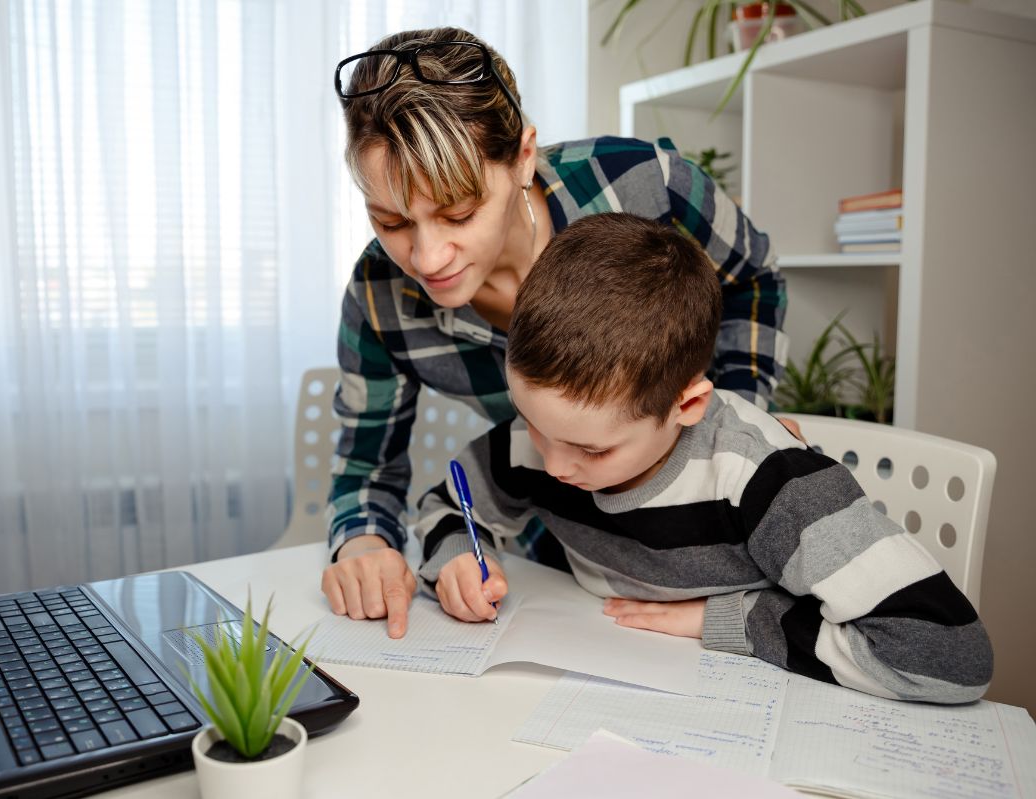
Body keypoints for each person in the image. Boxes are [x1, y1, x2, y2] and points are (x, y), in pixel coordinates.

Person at [322, 26, 789, 640]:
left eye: (459, 213)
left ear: (523, 156)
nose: (429, 256)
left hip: (726, 559)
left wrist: (739, 419)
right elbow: (368, 467)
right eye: (391, 220)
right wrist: (362, 544)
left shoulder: (646, 186)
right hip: (564, 565)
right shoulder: (378, 295)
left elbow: (752, 277)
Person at [412, 212, 992, 703]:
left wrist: (733, 618)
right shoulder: (541, 437)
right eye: (535, 426)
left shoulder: (767, 481)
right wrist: (459, 556)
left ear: (686, 404)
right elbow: (448, 501)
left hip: (752, 699)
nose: (555, 465)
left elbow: (948, 655)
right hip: (605, 671)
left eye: (592, 449)